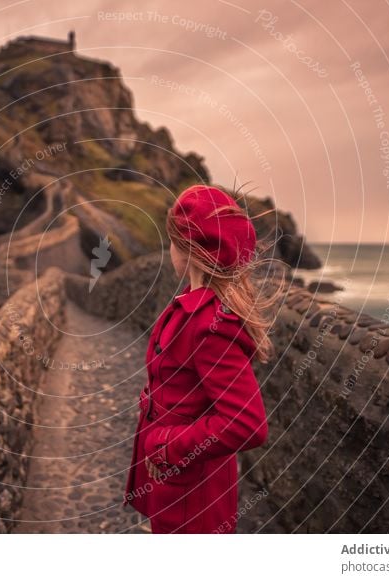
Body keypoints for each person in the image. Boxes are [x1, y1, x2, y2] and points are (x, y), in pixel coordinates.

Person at [122, 183, 287, 533]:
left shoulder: (211, 326)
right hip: (176, 478)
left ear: (188, 250)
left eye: (173, 240)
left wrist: (167, 446)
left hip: (190, 491)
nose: (169, 249)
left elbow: (247, 424)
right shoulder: (192, 301)